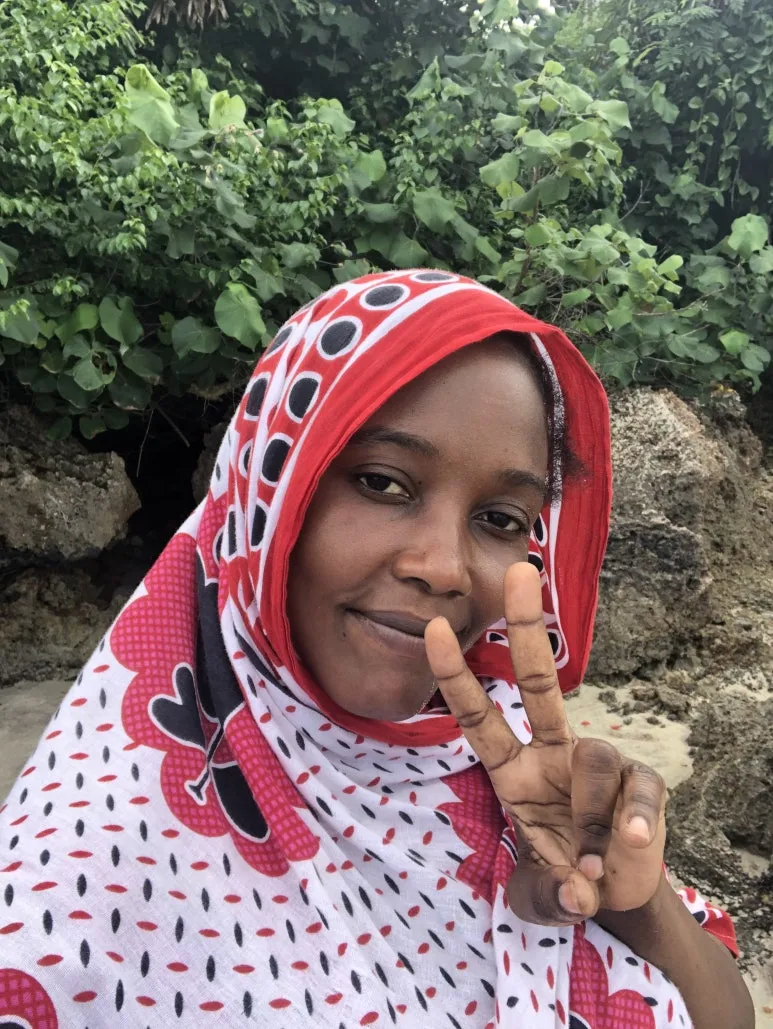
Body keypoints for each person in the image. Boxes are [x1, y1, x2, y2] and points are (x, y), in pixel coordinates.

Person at [0, 270, 752, 1028]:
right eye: (383, 483)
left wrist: (638, 901)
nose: (444, 567)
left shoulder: (501, 755)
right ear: (270, 489)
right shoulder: (72, 897)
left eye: (499, 519)